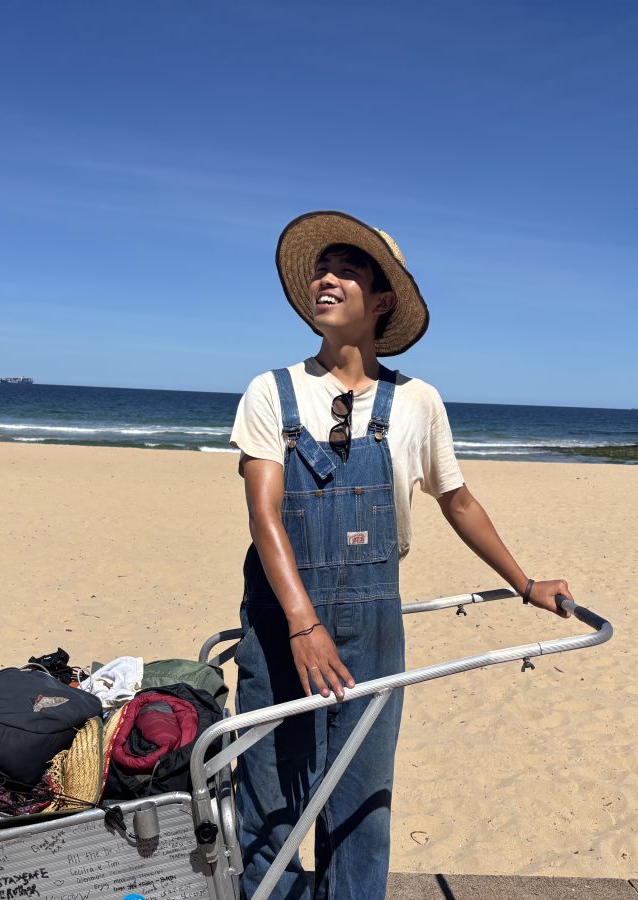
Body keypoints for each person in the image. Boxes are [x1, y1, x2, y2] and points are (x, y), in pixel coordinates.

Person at [229, 211, 574, 900]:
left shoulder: (418, 401)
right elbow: (264, 515)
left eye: (346, 270)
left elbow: (458, 500)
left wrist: (525, 582)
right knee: (270, 792)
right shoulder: (271, 391)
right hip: (280, 615)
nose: (326, 280)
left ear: (383, 299)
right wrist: (301, 621)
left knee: (361, 796)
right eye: (320, 271)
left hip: (374, 618)